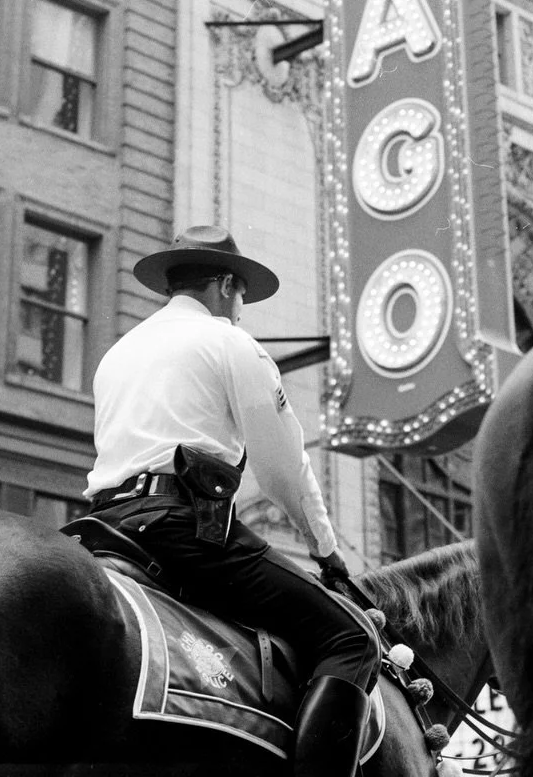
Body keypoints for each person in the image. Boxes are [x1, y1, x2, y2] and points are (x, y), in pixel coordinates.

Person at [86, 225, 379, 777]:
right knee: (352, 636)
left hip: (107, 523)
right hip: (183, 529)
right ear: (224, 285)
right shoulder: (229, 342)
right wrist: (326, 553)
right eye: (241, 295)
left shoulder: (116, 353)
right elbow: (281, 468)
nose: (242, 310)